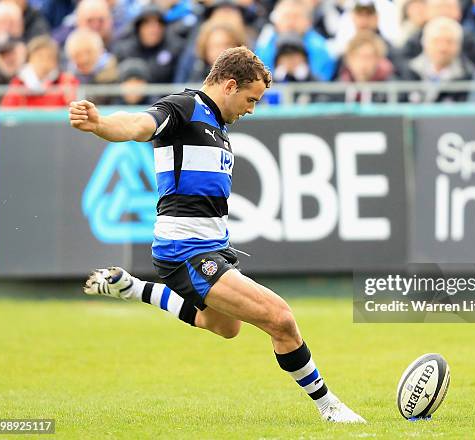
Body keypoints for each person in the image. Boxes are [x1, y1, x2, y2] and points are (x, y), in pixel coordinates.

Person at [68, 46, 365, 424]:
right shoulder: (183, 108)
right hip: (186, 251)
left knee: (225, 327)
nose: (251, 109)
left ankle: (132, 288)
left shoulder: (219, 126)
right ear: (228, 85)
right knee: (281, 318)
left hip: (213, 248)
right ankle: (329, 407)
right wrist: (101, 124)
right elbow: (139, 124)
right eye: (250, 99)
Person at [2, 35, 78, 107]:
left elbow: (74, 110)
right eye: (39, 56)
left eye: (49, 57)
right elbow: (7, 111)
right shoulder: (18, 83)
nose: (44, 61)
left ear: (56, 61)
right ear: (30, 58)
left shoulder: (67, 81)